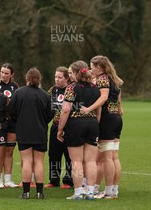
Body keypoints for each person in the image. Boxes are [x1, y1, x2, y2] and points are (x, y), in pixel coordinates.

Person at [81, 55, 124, 199]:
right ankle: (114, 190)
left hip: (107, 119)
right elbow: (117, 98)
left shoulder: (103, 79)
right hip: (116, 119)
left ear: (98, 67)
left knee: (106, 159)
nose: (90, 68)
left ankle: (109, 191)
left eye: (91, 66)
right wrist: (119, 109)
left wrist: (88, 109)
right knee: (114, 157)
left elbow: (104, 97)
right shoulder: (114, 79)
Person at [57, 61, 101, 200]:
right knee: (91, 161)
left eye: (71, 72)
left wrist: (60, 128)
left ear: (76, 73)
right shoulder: (95, 87)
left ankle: (78, 193)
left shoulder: (71, 87)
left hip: (76, 124)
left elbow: (65, 109)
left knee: (76, 161)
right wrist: (95, 122)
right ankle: (90, 192)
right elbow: (98, 108)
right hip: (92, 123)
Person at [10, 68, 53, 200]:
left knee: (27, 161)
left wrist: (19, 121)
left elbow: (11, 111)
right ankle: (40, 193)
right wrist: (42, 122)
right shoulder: (45, 95)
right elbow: (50, 114)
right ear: (39, 79)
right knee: (39, 162)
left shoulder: (18, 93)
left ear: (27, 78)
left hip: (23, 131)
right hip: (40, 131)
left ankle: (26, 192)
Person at [46, 66, 73, 189]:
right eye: (55, 77)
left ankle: (68, 181)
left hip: (70, 127)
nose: (56, 79)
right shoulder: (52, 90)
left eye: (59, 77)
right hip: (56, 126)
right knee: (54, 154)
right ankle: (54, 180)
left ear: (66, 78)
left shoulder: (72, 89)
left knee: (69, 155)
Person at [0, 63, 20, 188]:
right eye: (2, 72)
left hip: (12, 122)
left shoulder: (15, 86)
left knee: (9, 151)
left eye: (6, 73)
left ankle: (8, 179)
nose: (3, 75)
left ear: (12, 74)